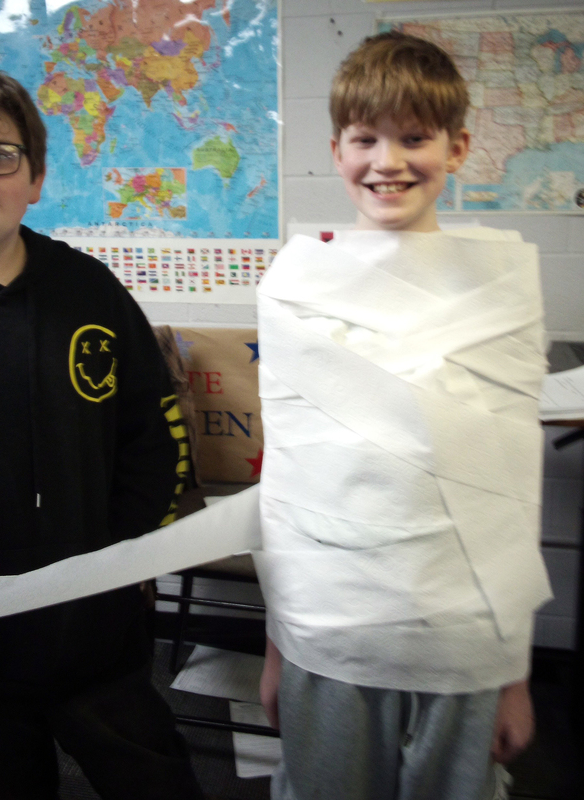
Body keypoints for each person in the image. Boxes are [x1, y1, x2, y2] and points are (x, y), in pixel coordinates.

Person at [0, 64, 202, 800]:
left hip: (95, 631)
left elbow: (152, 433)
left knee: (158, 782)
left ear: (36, 176)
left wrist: (126, 555)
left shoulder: (90, 290)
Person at [254, 31, 552, 800]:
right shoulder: (296, 285)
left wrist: (511, 673)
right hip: (329, 621)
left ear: (458, 148)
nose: (388, 161)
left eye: (414, 138)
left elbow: (514, 496)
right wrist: (278, 648)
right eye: (366, 139)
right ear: (337, 148)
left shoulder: (502, 287)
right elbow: (283, 487)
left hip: (458, 630)